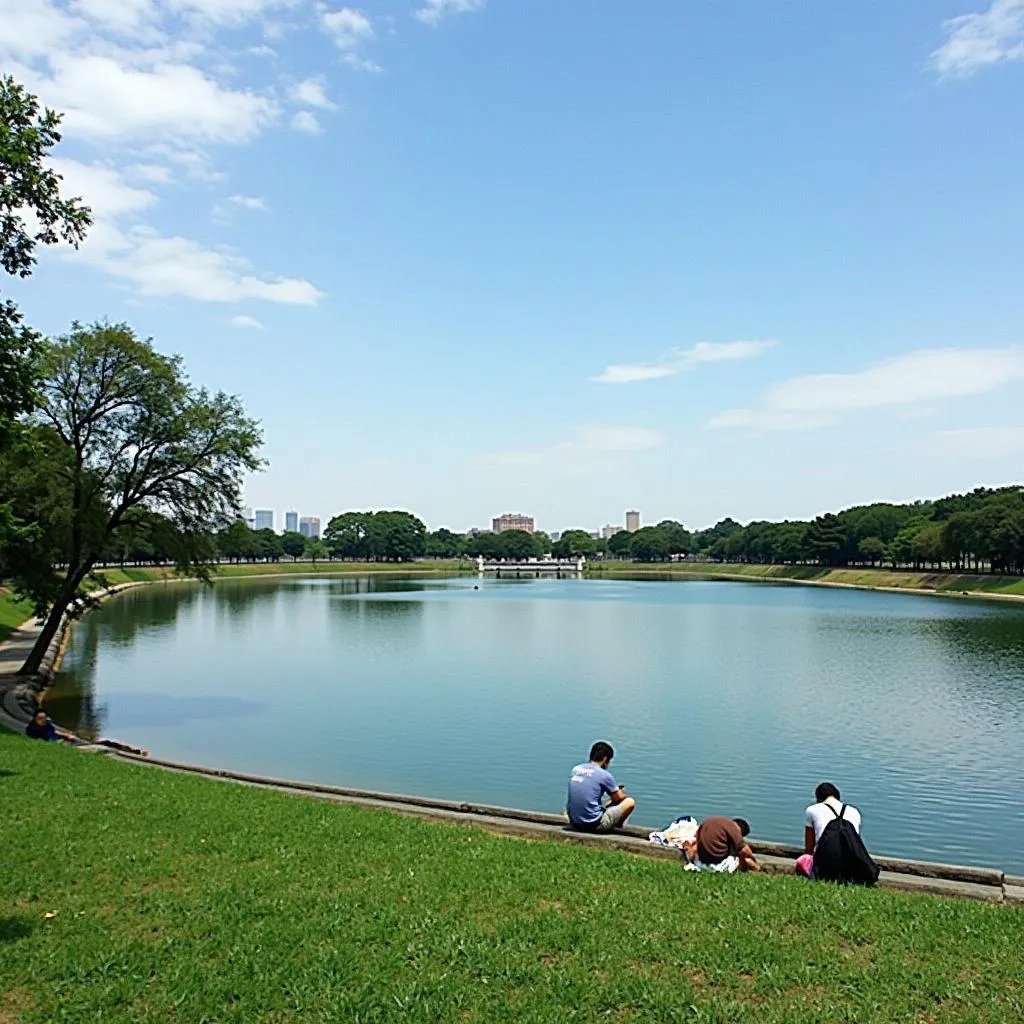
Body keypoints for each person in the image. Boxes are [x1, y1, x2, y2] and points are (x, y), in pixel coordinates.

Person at [796, 781, 864, 878]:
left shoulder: (812, 810)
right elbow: (855, 842)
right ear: (837, 796)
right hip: (851, 865)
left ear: (818, 798)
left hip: (824, 864)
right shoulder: (854, 811)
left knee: (803, 860)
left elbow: (809, 847)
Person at [566, 741, 636, 832]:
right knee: (630, 802)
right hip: (594, 825)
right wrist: (619, 791)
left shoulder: (576, 769)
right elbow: (618, 798)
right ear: (605, 759)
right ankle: (618, 824)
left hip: (574, 822)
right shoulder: (604, 775)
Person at [683, 816, 761, 873]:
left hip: (700, 862)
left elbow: (697, 840)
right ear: (740, 831)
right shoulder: (733, 828)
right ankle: (758, 869)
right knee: (744, 859)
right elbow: (745, 850)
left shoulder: (713, 821)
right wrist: (754, 861)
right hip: (716, 865)